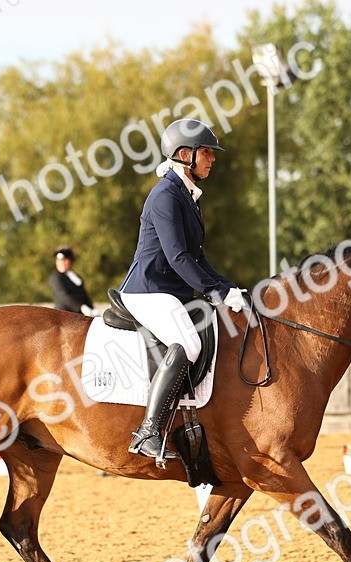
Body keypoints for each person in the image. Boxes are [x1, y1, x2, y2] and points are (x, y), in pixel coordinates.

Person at [117, 118, 247, 462]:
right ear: (184, 154)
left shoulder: (186, 195)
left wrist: (228, 288)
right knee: (188, 343)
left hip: (170, 292)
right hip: (148, 290)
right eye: (207, 152)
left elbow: (196, 257)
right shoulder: (165, 196)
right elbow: (176, 257)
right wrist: (216, 293)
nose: (213, 159)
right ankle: (148, 431)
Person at [48, 246, 96, 316]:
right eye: (59, 261)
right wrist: (81, 307)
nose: (61, 263)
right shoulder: (55, 277)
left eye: (65, 260)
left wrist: (92, 308)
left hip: (78, 315)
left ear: (70, 261)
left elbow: (84, 294)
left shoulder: (75, 276)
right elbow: (63, 296)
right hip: (63, 316)